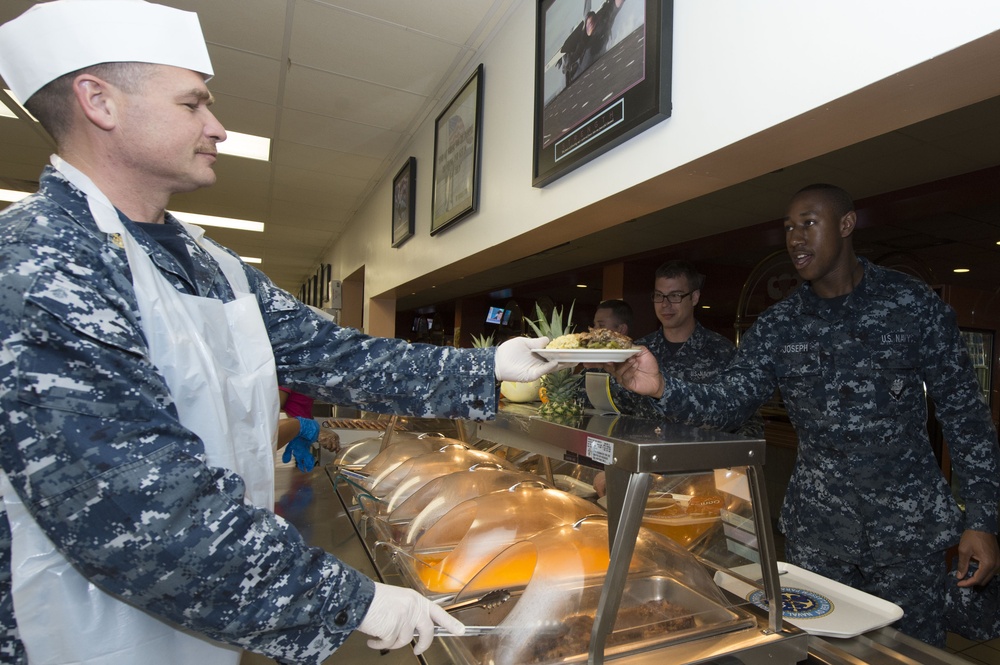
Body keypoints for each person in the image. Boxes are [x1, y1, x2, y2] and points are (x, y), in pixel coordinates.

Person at [0, 2, 561, 664]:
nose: (218, 127)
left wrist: (487, 368)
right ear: (100, 102)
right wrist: (351, 601)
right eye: (192, 104)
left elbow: (338, 356)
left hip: (202, 624)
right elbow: (151, 516)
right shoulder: (40, 261)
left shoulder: (212, 265)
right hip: (80, 631)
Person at [607, 184, 1000, 646]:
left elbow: (967, 417)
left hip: (908, 534)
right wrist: (661, 387)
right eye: (789, 228)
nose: (795, 238)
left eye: (809, 224)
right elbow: (731, 401)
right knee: (818, 651)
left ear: (847, 225)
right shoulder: (779, 325)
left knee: (910, 652)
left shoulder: (911, 305)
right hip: (820, 531)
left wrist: (983, 520)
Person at [592, 263, 762, 497]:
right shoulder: (636, 351)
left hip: (703, 481)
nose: (665, 305)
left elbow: (747, 420)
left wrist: (733, 482)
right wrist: (611, 467)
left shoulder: (722, 351)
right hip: (644, 478)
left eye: (674, 296)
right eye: (659, 296)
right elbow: (618, 419)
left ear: (694, 297)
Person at [557, 0, 625, 87]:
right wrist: (563, 58)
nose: (590, 24)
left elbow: (615, 8)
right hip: (577, 70)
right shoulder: (587, 34)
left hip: (585, 66)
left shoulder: (602, 27)